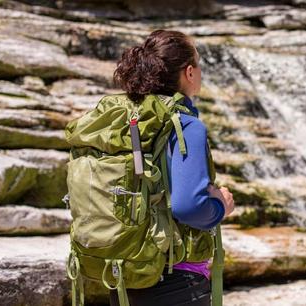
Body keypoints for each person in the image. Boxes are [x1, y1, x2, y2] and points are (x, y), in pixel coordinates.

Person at [109, 29, 235, 306]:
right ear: (189, 72)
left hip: (124, 274)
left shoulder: (129, 119)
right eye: (198, 65)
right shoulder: (185, 124)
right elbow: (188, 207)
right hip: (176, 280)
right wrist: (220, 207)